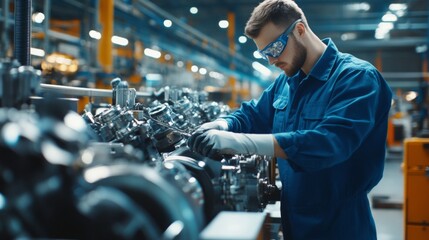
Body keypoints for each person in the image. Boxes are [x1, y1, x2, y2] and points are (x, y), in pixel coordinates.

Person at [188, 0, 393, 239]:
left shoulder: (356, 78)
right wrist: (223, 124)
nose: (272, 61)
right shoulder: (286, 82)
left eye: (274, 49)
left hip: (341, 224)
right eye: (265, 54)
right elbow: (253, 114)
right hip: (294, 219)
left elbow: (330, 142)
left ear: (299, 30)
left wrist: (240, 142)